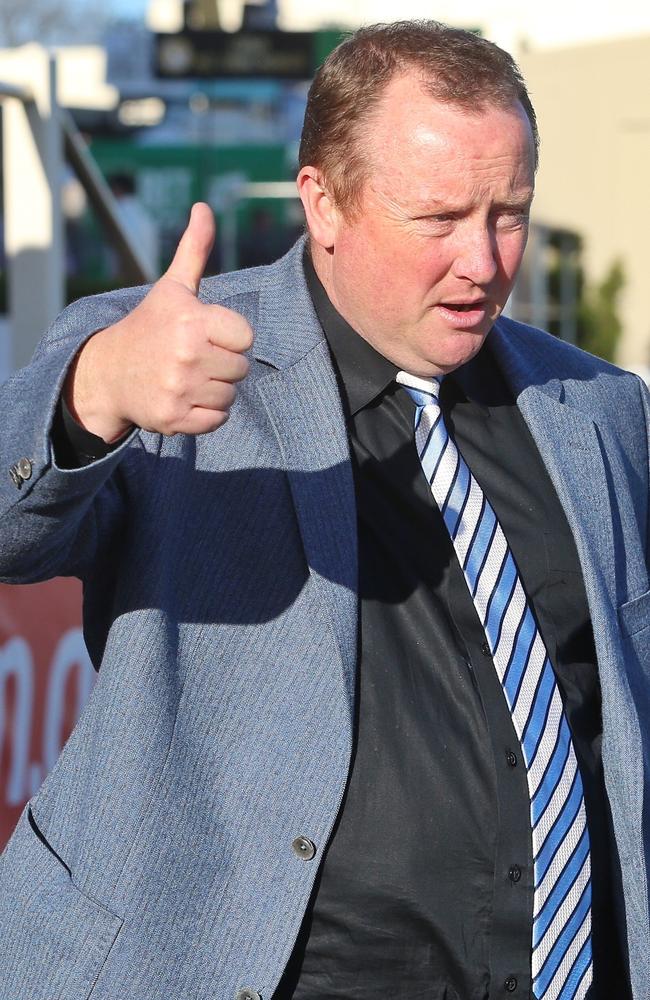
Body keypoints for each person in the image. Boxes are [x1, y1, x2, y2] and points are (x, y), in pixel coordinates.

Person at [0, 20, 648, 1000]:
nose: (481, 260)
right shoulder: (174, 362)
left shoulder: (596, 408)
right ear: (324, 202)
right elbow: (15, 527)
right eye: (437, 219)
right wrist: (97, 393)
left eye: (505, 213)